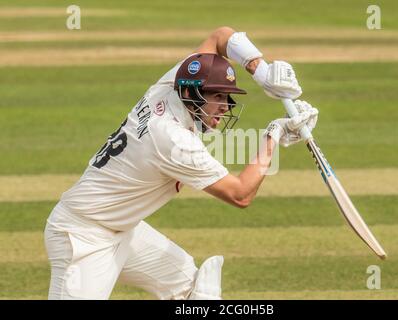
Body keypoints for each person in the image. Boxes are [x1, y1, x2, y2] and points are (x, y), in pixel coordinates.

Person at [44, 26, 319, 300]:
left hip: (124, 228)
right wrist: (274, 134)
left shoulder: (171, 84)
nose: (225, 107)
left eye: (226, 97)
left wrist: (261, 71)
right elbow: (241, 194)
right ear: (193, 95)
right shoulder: (173, 140)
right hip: (83, 235)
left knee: (193, 288)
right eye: (218, 96)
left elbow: (220, 36)